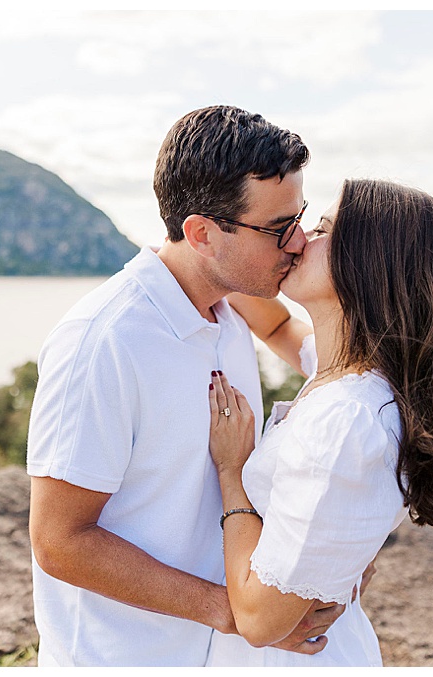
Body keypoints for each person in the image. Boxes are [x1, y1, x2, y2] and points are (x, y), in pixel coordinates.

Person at [25, 105, 341, 665]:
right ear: (202, 234)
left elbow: (286, 331)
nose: (297, 242)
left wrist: (355, 381)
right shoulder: (104, 344)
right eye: (277, 228)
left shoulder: (233, 292)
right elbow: (60, 542)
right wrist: (239, 613)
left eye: (300, 218)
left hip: (218, 653)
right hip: (128, 655)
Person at [202, 178, 433, 666]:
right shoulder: (354, 372)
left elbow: (258, 621)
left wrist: (233, 473)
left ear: (367, 263)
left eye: (321, 229)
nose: (296, 239)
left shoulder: (346, 420)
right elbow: (275, 326)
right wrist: (200, 250)